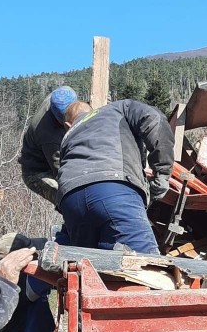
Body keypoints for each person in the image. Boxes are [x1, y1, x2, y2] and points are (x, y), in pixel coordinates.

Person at [56, 99, 174, 253]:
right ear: (93, 110)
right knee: (145, 265)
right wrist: (162, 174)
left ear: (67, 125)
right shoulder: (118, 108)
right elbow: (153, 118)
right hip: (113, 188)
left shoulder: (67, 137)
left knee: (90, 268)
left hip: (70, 201)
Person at [19, 86, 78, 204]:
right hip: (37, 172)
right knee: (69, 199)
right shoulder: (49, 136)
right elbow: (61, 173)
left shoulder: (61, 94)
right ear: (61, 121)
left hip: (54, 154)